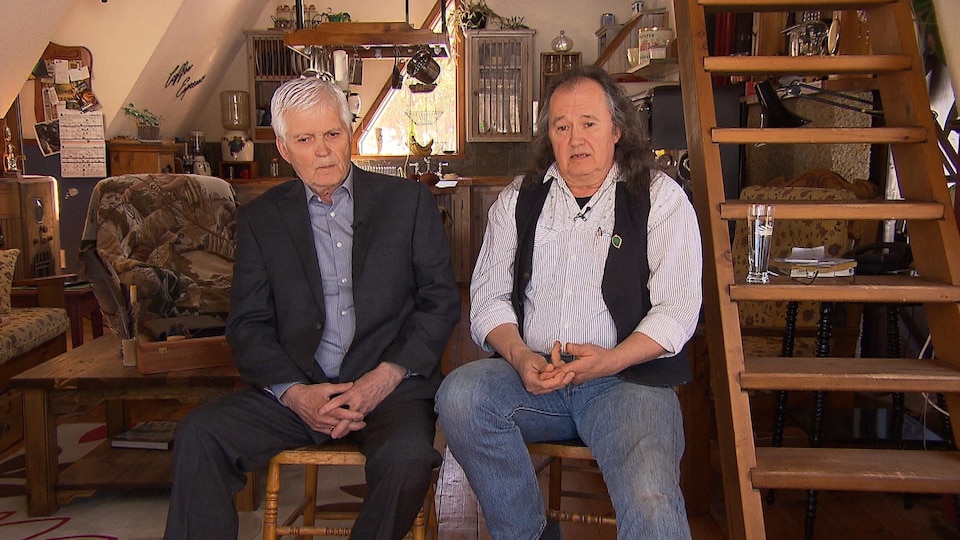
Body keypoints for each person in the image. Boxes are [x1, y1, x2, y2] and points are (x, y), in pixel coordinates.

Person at [164, 76, 461, 540]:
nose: (323, 151)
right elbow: (248, 325)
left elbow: (439, 301)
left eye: (332, 134)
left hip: (387, 388)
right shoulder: (261, 219)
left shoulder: (409, 203)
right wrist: (295, 394)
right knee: (199, 435)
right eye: (305, 139)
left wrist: (383, 378)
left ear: (350, 134)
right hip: (300, 389)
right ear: (283, 147)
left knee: (408, 461)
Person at [435, 65, 702, 540]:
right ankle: (528, 535)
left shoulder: (659, 198)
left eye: (589, 123)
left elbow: (678, 309)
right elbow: (488, 298)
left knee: (650, 496)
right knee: (459, 398)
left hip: (627, 381)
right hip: (536, 379)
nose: (576, 138)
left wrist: (612, 360)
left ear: (616, 130)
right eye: (562, 126)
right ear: (549, 136)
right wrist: (519, 358)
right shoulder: (520, 198)